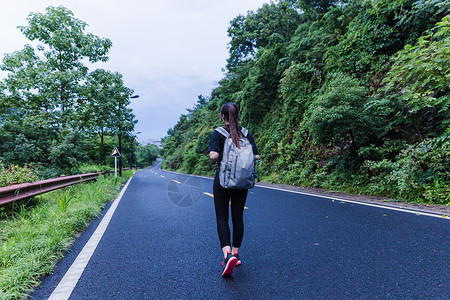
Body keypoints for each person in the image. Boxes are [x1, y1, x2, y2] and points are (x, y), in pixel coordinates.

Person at [208, 103, 259, 276]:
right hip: (242, 182)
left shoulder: (219, 133)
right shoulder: (246, 133)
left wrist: (218, 153)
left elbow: (213, 155)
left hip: (222, 182)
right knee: (238, 217)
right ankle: (236, 254)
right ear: (237, 115)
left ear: (222, 116)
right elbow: (256, 155)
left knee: (222, 218)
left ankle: (227, 254)